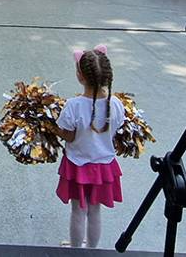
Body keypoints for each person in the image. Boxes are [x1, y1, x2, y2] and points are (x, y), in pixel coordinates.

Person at [55, 45, 124, 249]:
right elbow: (118, 128)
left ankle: (76, 251)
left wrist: (53, 129)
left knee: (78, 211)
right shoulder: (117, 104)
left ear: (79, 76)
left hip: (78, 165)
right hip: (103, 165)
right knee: (95, 211)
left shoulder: (73, 105)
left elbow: (68, 133)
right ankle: (91, 250)